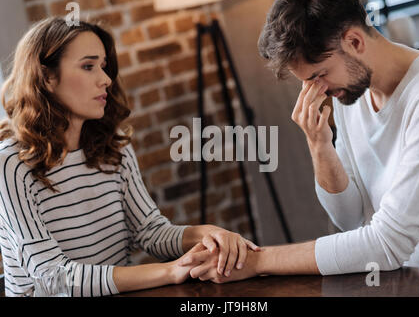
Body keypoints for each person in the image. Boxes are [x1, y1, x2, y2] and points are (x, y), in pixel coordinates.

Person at [180, 0, 419, 283]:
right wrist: (319, 145)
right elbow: (350, 218)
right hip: (394, 282)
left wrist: (257, 260)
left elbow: (387, 242)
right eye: (308, 82)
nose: (319, 90)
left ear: (355, 42)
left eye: (320, 75)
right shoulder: (353, 91)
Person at [0, 17, 259, 297]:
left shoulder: (114, 148)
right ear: (47, 77)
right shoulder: (11, 164)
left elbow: (149, 231)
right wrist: (170, 271)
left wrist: (208, 233)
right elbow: (53, 278)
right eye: (88, 66)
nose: (106, 80)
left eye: (103, 66)